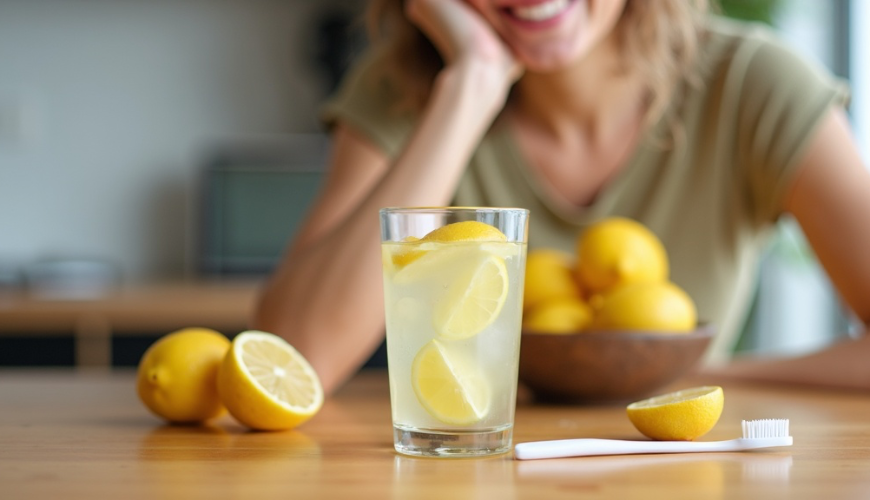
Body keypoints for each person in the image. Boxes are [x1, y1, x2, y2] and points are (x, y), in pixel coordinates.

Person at [253, 0, 870, 395]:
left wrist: (691, 372)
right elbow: (293, 359)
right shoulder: (407, 88)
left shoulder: (752, 85)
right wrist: (470, 86)